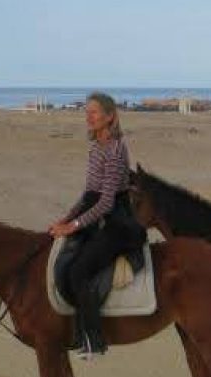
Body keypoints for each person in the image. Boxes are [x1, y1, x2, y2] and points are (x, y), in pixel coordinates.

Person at [49, 92, 145, 359]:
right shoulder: (95, 148)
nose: (87, 116)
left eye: (94, 112)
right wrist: (66, 219)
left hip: (118, 223)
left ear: (110, 117)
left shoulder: (115, 149)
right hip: (95, 215)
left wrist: (74, 225)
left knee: (80, 269)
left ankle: (95, 340)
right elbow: (88, 194)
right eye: (86, 111)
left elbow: (105, 203)